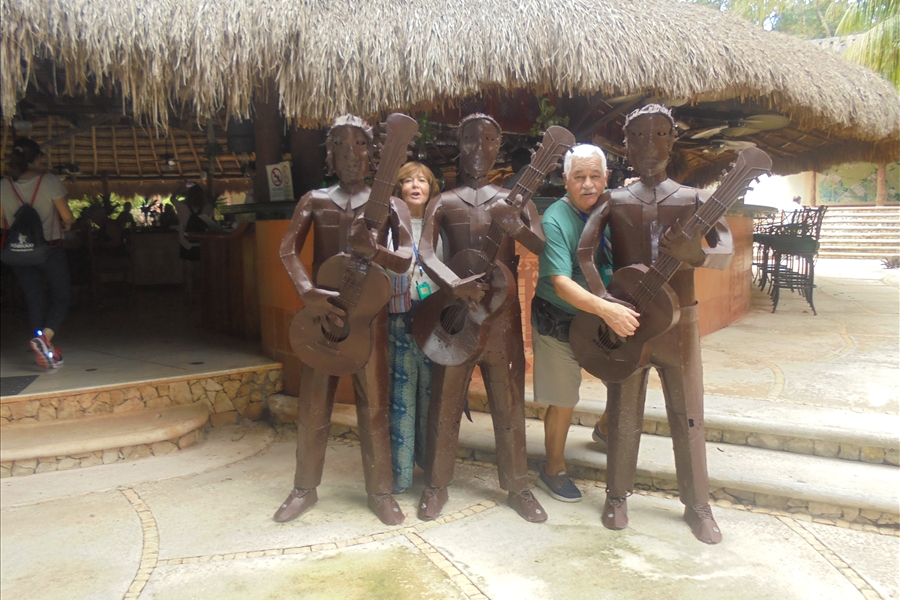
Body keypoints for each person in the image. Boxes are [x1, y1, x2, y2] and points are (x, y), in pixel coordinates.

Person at [579, 104, 734, 544]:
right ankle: (616, 495)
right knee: (623, 412)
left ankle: (698, 504)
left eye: (659, 134)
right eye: (638, 136)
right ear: (625, 145)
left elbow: (725, 251)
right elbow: (585, 252)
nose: (649, 144)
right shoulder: (615, 199)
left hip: (680, 323)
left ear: (672, 140)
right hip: (630, 319)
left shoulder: (694, 199)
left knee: (688, 414)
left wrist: (696, 255)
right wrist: (604, 298)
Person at [276, 115, 414, 526]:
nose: (350, 154)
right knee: (313, 405)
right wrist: (307, 292)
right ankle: (304, 488)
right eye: (340, 145)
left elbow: (405, 259)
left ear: (374, 154)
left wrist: (377, 252)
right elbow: (288, 250)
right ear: (329, 156)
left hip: (369, 322)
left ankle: (380, 491)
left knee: (374, 407)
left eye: (359, 144)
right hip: (322, 318)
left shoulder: (391, 203)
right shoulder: (315, 200)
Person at [417, 113, 547, 523]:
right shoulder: (444, 201)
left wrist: (517, 229)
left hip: (502, 320)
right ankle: (436, 484)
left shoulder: (513, 200)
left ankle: (519, 485)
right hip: (457, 316)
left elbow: (540, 245)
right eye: (471, 139)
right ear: (460, 144)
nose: (479, 148)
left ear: (498, 147)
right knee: (444, 402)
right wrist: (453, 283)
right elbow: (425, 251)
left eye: (489, 140)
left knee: (509, 402)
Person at [532, 144, 640, 503]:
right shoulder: (555, 219)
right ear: (565, 180)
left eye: (595, 175)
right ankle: (553, 468)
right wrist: (607, 311)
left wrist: (642, 191)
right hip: (559, 317)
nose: (588, 184)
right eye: (579, 177)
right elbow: (561, 282)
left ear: (607, 177)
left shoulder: (616, 206)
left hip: (602, 317)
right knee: (563, 398)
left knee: (626, 373)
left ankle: (606, 429)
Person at [386, 162, 442, 494]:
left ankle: (431, 468)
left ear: (432, 189)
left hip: (434, 320)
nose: (415, 185)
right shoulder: (389, 227)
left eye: (422, 180)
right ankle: (401, 474)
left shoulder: (440, 226)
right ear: (398, 189)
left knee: (431, 394)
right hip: (400, 316)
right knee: (402, 395)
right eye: (407, 180)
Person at [0, 137, 74, 369]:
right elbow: (66, 216)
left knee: (35, 299)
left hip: (19, 251)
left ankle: (44, 353)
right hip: (49, 247)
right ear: (38, 158)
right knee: (62, 296)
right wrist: (68, 223)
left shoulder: (4, 185)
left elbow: (1, 223)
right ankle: (44, 339)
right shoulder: (48, 180)